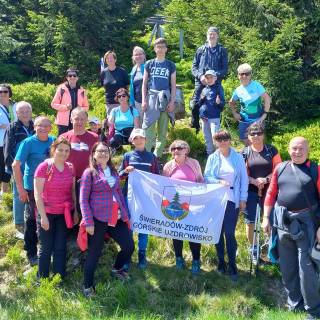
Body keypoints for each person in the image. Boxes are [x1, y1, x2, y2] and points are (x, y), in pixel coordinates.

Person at [263, 137, 320, 320]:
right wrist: (266, 218)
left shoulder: (315, 170)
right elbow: (271, 194)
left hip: (306, 224)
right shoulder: (280, 168)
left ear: (308, 149)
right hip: (282, 222)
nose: (297, 151)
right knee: (287, 266)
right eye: (294, 148)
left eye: (301, 148)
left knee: (306, 268)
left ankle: (313, 310)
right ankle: (294, 303)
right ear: (288, 149)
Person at [80, 142, 134, 297]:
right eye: (100, 151)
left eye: (106, 151)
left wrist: (125, 213)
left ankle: (116, 269)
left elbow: (116, 190)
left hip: (116, 218)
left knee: (129, 246)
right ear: (94, 154)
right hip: (98, 219)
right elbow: (83, 199)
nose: (103, 153)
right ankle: (88, 286)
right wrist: (88, 221)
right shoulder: (89, 173)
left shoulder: (113, 171)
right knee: (94, 253)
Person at [204, 130, 248, 281]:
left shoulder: (238, 157)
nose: (222, 142)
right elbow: (207, 176)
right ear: (216, 141)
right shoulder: (212, 157)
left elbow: (244, 179)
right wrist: (218, 182)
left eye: (225, 139)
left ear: (230, 140)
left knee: (229, 233)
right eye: (219, 139)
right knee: (217, 233)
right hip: (217, 200)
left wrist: (243, 198)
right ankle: (221, 263)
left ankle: (233, 265)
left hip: (232, 199)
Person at [12, 116, 55, 266]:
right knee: (31, 220)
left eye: (46, 126)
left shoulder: (54, 141)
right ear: (34, 127)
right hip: (31, 187)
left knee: (47, 218)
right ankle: (31, 253)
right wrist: (20, 188)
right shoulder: (28, 143)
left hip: (50, 187)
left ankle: (48, 249)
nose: (42, 128)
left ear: (51, 128)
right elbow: (15, 165)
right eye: (39, 125)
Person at [34, 137, 78, 279]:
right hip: (46, 213)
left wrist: (76, 211)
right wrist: (43, 217)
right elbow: (37, 194)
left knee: (60, 247)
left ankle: (59, 277)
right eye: (60, 150)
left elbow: (72, 191)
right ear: (54, 150)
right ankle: (42, 279)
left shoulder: (70, 167)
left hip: (63, 214)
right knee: (46, 248)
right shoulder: (44, 167)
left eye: (67, 150)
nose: (64, 153)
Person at [119, 128, 160, 269]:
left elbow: (157, 177)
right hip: (129, 197)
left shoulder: (152, 157)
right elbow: (119, 176)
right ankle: (127, 255)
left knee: (144, 226)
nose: (139, 140)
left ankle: (142, 255)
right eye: (135, 138)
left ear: (145, 140)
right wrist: (125, 171)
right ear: (132, 141)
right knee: (129, 226)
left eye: (141, 137)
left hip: (146, 197)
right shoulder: (127, 156)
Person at [241, 123, 281, 263]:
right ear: (249, 136)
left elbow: (278, 169)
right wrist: (253, 180)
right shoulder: (245, 152)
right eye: (252, 133)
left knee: (270, 220)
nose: (256, 136)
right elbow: (242, 174)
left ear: (263, 134)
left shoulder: (272, 150)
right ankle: (254, 249)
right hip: (251, 190)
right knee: (250, 222)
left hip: (270, 191)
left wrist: (266, 179)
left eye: (258, 133)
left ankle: (271, 249)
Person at [163, 140, 204, 274]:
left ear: (186, 150)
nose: (176, 150)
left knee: (193, 234)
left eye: (180, 148)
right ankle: (179, 258)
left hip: (193, 205)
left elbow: (200, 181)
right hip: (176, 206)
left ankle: (196, 261)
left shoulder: (194, 163)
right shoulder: (168, 166)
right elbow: (164, 184)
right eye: (173, 148)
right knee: (177, 233)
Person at [141, 37, 176, 158]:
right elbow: (144, 83)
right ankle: (146, 154)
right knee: (148, 127)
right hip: (151, 97)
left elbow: (173, 85)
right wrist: (144, 100)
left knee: (162, 129)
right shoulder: (149, 64)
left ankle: (157, 156)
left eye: (162, 47)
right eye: (158, 47)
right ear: (155, 49)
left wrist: (172, 102)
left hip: (165, 99)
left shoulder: (170, 65)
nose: (160, 49)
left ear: (166, 49)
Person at [3, 101, 34, 233]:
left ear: (31, 112)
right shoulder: (13, 127)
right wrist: (10, 166)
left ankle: (31, 218)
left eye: (27, 111)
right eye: (22, 112)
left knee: (32, 192)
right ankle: (19, 223)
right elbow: (8, 147)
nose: (25, 114)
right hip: (18, 165)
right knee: (18, 193)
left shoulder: (34, 126)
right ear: (17, 113)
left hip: (32, 165)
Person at [60, 107, 99, 214]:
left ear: (87, 120)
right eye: (77, 119)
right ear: (71, 119)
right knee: (70, 209)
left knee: (85, 208)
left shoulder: (95, 137)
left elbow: (99, 159)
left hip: (88, 179)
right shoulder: (63, 137)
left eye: (82, 119)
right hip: (67, 179)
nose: (79, 122)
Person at [191, 27, 228, 132]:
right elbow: (194, 67)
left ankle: (215, 129)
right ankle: (195, 126)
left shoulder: (222, 51)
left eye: (214, 34)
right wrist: (200, 76)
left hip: (215, 83)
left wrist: (213, 76)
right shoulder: (200, 50)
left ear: (217, 36)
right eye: (210, 34)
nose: (211, 36)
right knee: (195, 104)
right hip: (201, 81)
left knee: (216, 104)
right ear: (207, 36)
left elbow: (224, 69)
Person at [229, 63, 271, 145]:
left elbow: (267, 99)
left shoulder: (256, 86)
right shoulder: (238, 90)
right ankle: (249, 155)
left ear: (250, 74)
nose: (244, 76)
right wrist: (234, 113)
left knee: (258, 142)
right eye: (242, 74)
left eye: (247, 74)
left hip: (257, 120)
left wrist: (265, 114)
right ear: (238, 75)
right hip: (244, 121)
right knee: (245, 141)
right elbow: (231, 102)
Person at [51, 68, 89, 136]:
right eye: (70, 75)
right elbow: (53, 104)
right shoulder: (61, 89)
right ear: (67, 77)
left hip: (77, 120)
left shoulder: (82, 91)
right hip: (63, 121)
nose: (72, 77)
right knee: (61, 140)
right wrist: (66, 107)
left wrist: (80, 109)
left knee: (76, 138)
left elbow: (86, 106)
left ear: (77, 78)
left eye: (74, 75)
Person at [199, 70, 225, 155]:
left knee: (215, 137)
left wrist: (219, 103)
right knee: (207, 138)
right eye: (207, 77)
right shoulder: (204, 89)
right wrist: (201, 99)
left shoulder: (219, 88)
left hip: (214, 117)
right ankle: (209, 155)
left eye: (211, 77)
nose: (209, 79)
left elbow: (222, 104)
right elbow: (199, 104)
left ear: (215, 78)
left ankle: (219, 154)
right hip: (204, 118)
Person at [108, 88, 139, 152]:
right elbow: (110, 123)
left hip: (131, 133)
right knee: (112, 142)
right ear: (117, 98)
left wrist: (132, 135)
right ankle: (118, 149)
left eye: (123, 95)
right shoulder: (114, 110)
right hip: (119, 133)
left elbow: (136, 126)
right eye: (119, 96)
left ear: (127, 97)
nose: (121, 97)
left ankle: (134, 149)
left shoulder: (134, 110)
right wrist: (107, 122)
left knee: (137, 142)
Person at [0, 83, 17, 195]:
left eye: (5, 92)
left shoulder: (15, 106)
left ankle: (4, 193)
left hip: (12, 142)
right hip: (0, 142)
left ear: (9, 93)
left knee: (8, 167)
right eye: (0, 92)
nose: (2, 94)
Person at [100, 51, 130, 115]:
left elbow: (127, 86)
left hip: (122, 102)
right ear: (105, 60)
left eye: (111, 57)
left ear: (115, 59)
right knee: (111, 123)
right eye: (107, 58)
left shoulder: (122, 71)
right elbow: (103, 86)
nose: (109, 59)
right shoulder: (103, 72)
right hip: (110, 103)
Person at [129, 46, 146, 124]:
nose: (138, 56)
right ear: (133, 57)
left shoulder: (148, 67)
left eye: (140, 54)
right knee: (138, 123)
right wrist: (131, 102)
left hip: (148, 101)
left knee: (147, 123)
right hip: (137, 102)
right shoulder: (134, 69)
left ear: (144, 56)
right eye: (136, 55)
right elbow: (132, 87)